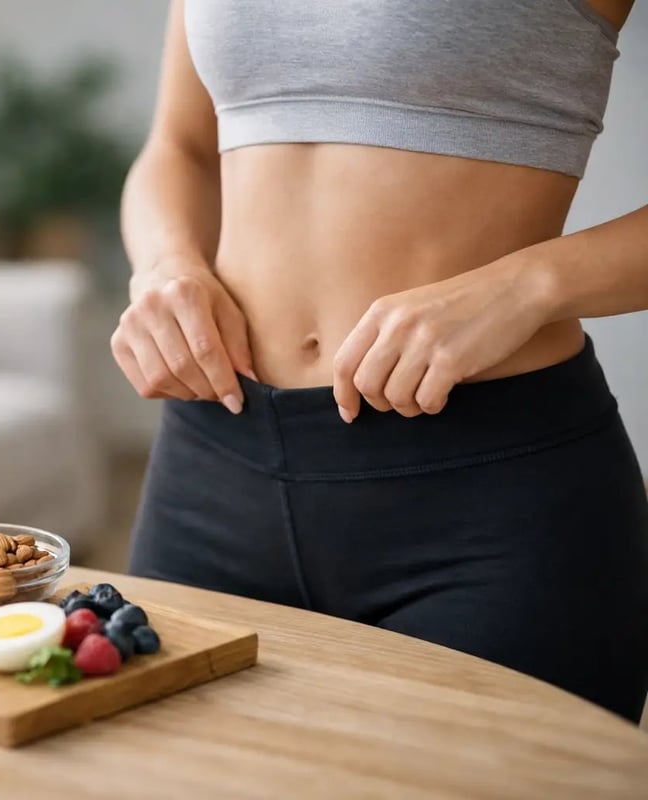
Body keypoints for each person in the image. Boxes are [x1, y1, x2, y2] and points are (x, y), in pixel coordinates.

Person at [116, 0, 648, 723]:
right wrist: (162, 264)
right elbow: (178, 146)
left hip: (489, 511)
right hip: (211, 475)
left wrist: (527, 285)